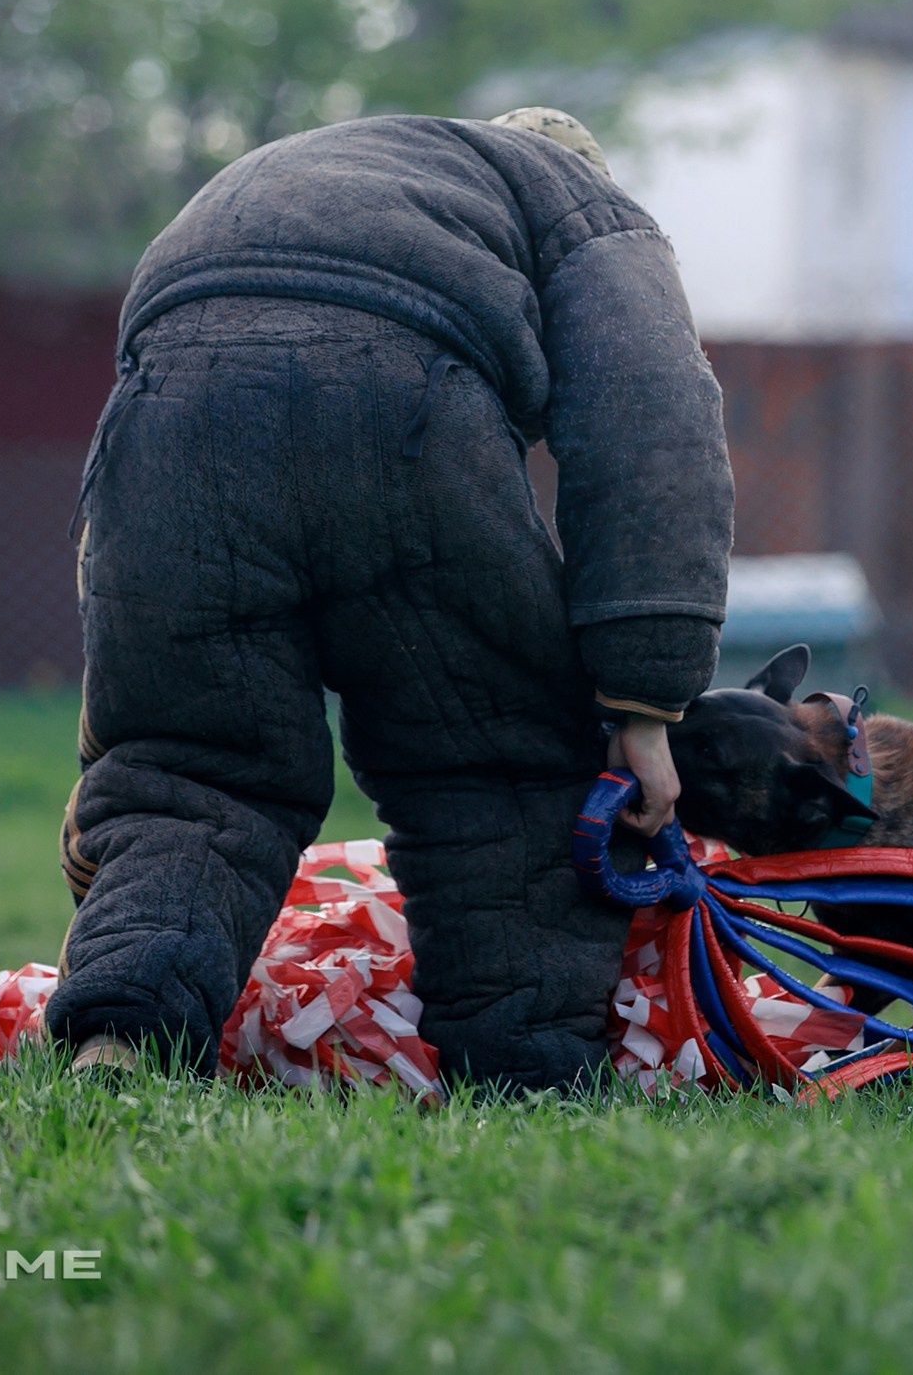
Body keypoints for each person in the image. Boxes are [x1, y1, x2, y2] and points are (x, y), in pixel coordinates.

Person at [46, 107, 731, 1090]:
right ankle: (523, 1075)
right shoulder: (583, 204)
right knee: (496, 768)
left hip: (168, 407)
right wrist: (645, 697)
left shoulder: (331, 168)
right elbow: (652, 414)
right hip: (392, 395)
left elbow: (126, 484)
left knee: (190, 768)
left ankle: (123, 1037)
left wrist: (116, 735)